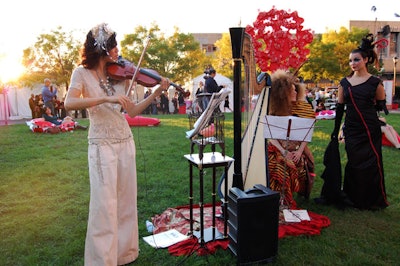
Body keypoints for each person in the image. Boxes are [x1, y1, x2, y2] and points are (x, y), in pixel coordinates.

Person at [63, 23, 170, 265]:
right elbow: (69, 102)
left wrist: (155, 93)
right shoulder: (81, 73)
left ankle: (124, 254)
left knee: (125, 202)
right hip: (101, 145)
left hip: (125, 142)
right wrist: (105, 97)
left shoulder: (119, 75)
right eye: (114, 46)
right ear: (101, 49)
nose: (118, 51)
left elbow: (131, 111)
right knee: (104, 205)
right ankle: (102, 259)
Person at [331, 33, 389, 210]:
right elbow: (340, 108)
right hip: (352, 129)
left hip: (370, 130)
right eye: (350, 61)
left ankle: (372, 200)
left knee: (372, 163)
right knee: (354, 162)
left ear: (365, 60)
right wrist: (336, 130)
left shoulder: (375, 83)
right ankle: (352, 197)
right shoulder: (344, 83)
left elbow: (380, 105)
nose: (352, 64)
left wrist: (381, 114)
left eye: (356, 60)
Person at [266, 69, 313, 209]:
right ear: (282, 93)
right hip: (277, 149)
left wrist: (299, 152)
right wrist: (281, 150)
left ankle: (284, 199)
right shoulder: (274, 110)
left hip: (298, 150)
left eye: (296, 90)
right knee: (275, 164)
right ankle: (277, 199)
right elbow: (271, 135)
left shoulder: (304, 108)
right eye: (292, 90)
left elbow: (307, 134)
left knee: (289, 164)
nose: (295, 93)